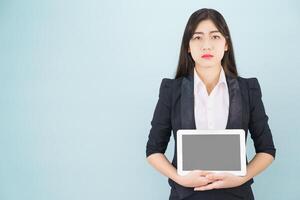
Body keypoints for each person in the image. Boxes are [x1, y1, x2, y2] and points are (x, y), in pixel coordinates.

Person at [145, 8, 276, 200]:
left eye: (215, 37)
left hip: (236, 195)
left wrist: (241, 179)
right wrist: (180, 178)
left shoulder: (248, 89)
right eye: (197, 38)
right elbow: (153, 150)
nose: (206, 45)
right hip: (186, 195)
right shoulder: (172, 90)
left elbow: (267, 149)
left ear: (226, 44)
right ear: (188, 46)